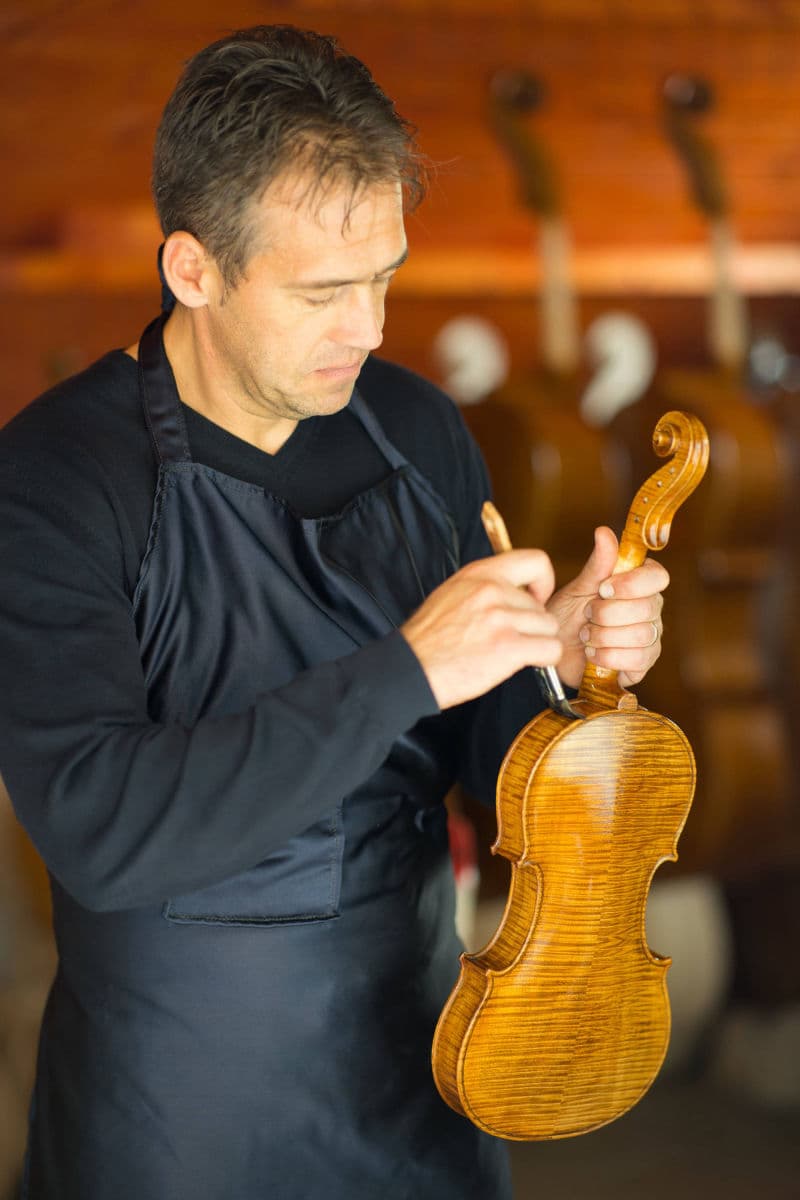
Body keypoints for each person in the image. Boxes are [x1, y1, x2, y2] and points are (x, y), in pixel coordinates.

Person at [0, 25, 668, 1200]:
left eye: (383, 280)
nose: (365, 329)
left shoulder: (411, 427)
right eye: (321, 292)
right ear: (192, 270)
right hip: (176, 1114)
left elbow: (488, 761)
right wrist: (408, 668)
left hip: (423, 1074)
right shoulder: (54, 478)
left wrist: (561, 673)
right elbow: (101, 832)